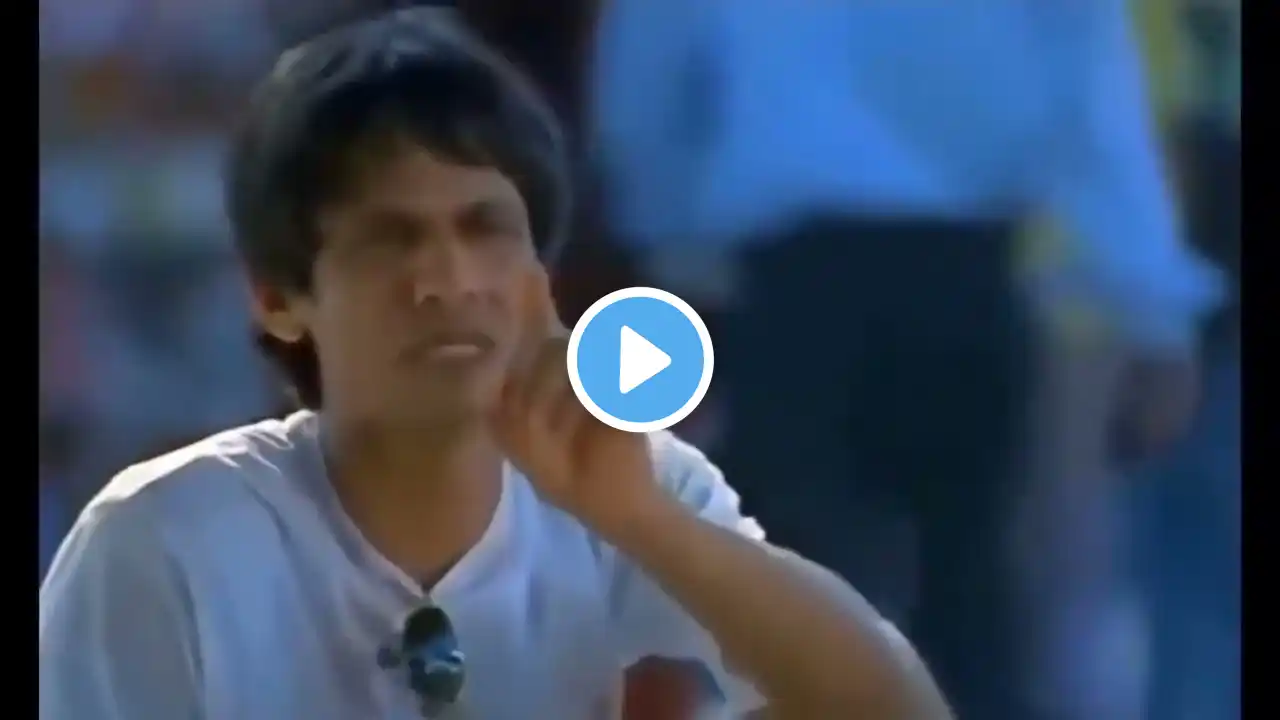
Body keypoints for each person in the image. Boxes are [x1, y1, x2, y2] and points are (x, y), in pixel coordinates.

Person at [38, 10, 950, 719]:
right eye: (390, 239)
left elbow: (895, 708)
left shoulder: (627, 484)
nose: (449, 279)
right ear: (278, 297)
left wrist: (641, 519)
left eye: (486, 230)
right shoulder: (161, 541)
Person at [591, 2, 1223, 719]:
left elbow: (646, 92)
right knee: (969, 608)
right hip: (958, 285)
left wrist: (673, 245)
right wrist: (1154, 311)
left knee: (797, 600)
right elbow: (1093, 112)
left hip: (797, 294)